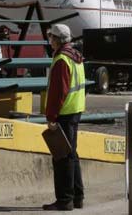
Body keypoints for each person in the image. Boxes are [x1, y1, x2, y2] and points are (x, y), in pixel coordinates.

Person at [43, 24, 86, 211]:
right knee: (72, 155)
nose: (49, 40)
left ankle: (64, 199)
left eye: (51, 37)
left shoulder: (62, 59)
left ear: (57, 39)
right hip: (76, 109)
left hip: (65, 113)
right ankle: (77, 197)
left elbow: (58, 91)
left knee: (62, 157)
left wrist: (51, 116)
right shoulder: (76, 57)